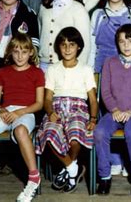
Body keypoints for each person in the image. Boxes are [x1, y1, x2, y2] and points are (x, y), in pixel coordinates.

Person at [0, 34, 44, 202]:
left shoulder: (37, 73)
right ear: (10, 52)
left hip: (27, 112)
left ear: (30, 53)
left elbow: (39, 104)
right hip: (6, 111)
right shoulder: (3, 72)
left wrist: (19, 113)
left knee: (20, 130)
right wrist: (2, 109)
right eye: (16, 51)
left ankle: (33, 178)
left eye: (24, 52)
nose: (20, 56)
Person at [35, 27, 98, 193]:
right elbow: (47, 98)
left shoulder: (86, 69)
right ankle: (72, 168)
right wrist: (50, 112)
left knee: (75, 136)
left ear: (78, 47)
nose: (67, 48)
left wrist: (93, 119)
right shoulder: (53, 69)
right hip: (56, 109)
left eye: (72, 44)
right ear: (58, 48)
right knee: (48, 134)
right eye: (63, 45)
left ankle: (68, 169)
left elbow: (92, 99)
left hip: (79, 110)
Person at [94, 24, 131, 196]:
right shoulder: (110, 63)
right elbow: (105, 91)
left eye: (130, 41)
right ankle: (104, 176)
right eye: (122, 41)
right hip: (114, 112)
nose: (126, 45)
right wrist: (114, 109)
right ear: (117, 44)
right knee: (99, 132)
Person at [38, 0, 90, 69]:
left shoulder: (78, 9)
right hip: (43, 65)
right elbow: (40, 34)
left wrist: (77, 69)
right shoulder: (44, 7)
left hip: (66, 66)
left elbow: (85, 45)